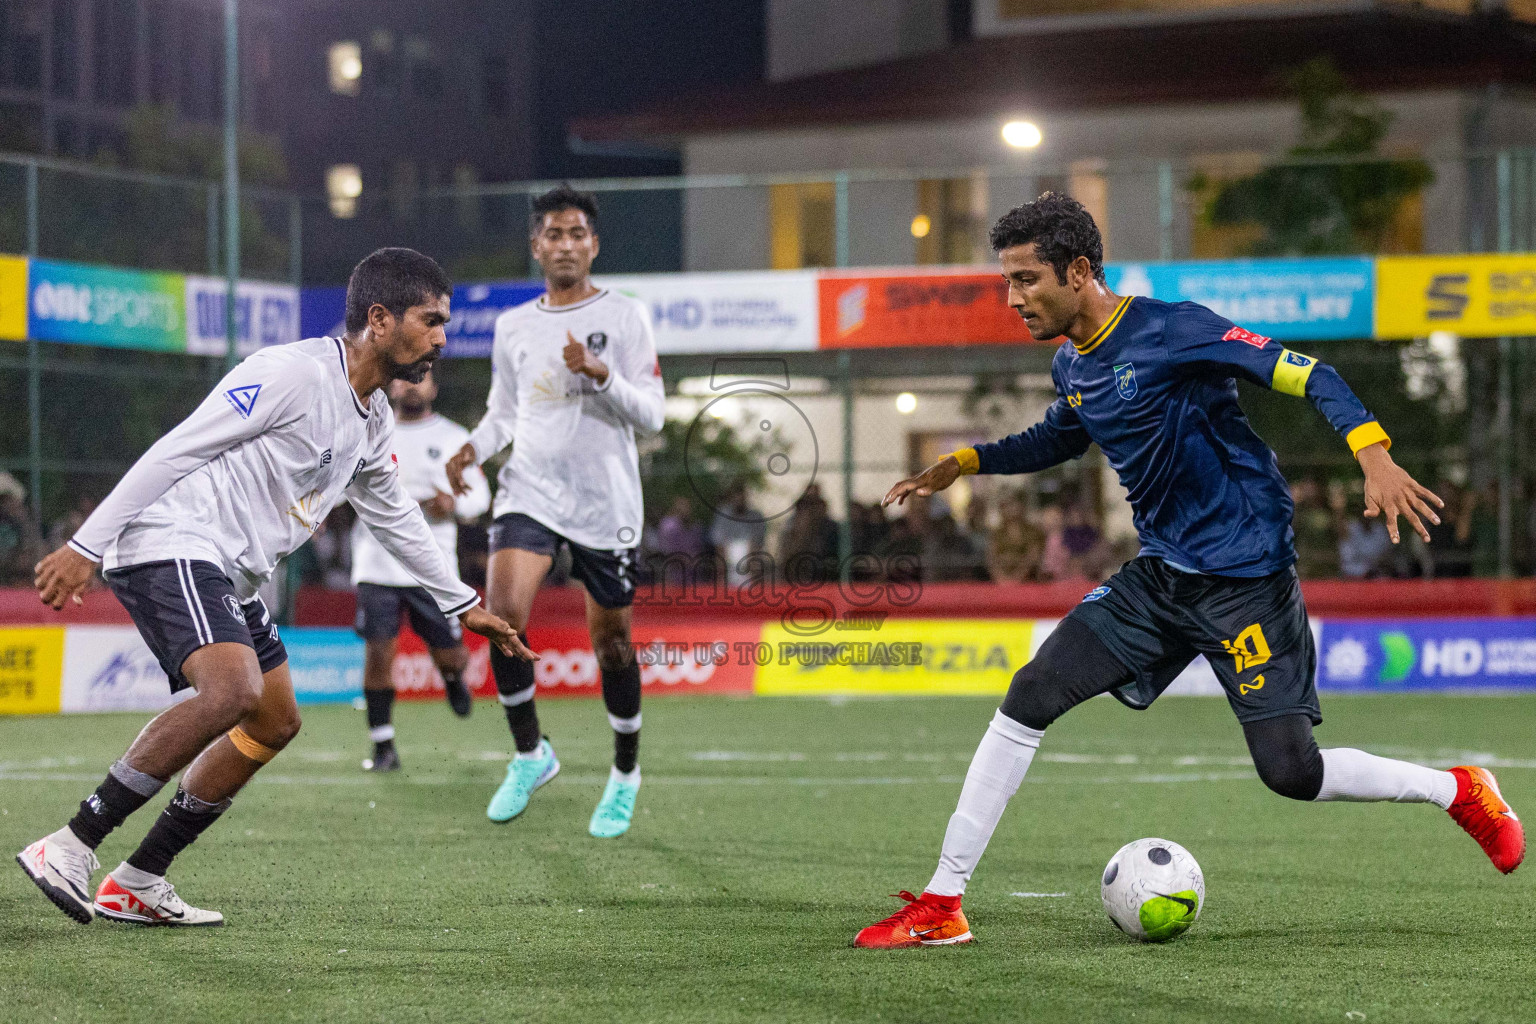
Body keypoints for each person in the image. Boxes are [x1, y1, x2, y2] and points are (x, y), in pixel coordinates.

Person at [856, 193, 1523, 949]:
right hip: (1161, 578)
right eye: (1007, 281)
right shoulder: (1072, 363)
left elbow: (1307, 372)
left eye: (1026, 279)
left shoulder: (1173, 329)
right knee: (1030, 693)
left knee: (1291, 773)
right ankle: (944, 903)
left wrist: (1373, 452)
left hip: (1246, 582)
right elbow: (1060, 435)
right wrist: (967, 461)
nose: (1014, 298)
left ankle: (1459, 790)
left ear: (1080, 271)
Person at [18, 248, 532, 927]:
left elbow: (395, 515)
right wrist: (87, 544)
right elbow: (178, 448)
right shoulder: (292, 373)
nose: (441, 338)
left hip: (228, 567)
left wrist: (463, 603)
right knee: (232, 691)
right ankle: (71, 843)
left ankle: (138, 879)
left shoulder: (372, 417)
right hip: (173, 537)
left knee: (275, 719)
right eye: (430, 321)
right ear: (379, 319)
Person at [445, 185, 664, 839]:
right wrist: (472, 448)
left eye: (576, 233)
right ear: (536, 246)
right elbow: (504, 413)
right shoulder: (514, 326)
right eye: (553, 233)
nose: (565, 244)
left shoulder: (626, 317)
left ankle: (624, 773)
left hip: (607, 503)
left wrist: (601, 373)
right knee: (503, 618)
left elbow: (652, 414)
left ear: (593, 244)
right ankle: (530, 753)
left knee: (612, 645)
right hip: (529, 492)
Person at [350, 367, 491, 772]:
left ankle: (451, 679)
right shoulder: (368, 429)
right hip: (376, 563)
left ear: (434, 386)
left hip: (432, 568)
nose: (412, 384)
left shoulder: (452, 437)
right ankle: (383, 746)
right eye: (405, 377)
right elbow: (341, 481)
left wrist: (455, 505)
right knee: (379, 652)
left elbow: (479, 496)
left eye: (422, 377)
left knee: (452, 657)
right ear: (391, 383)